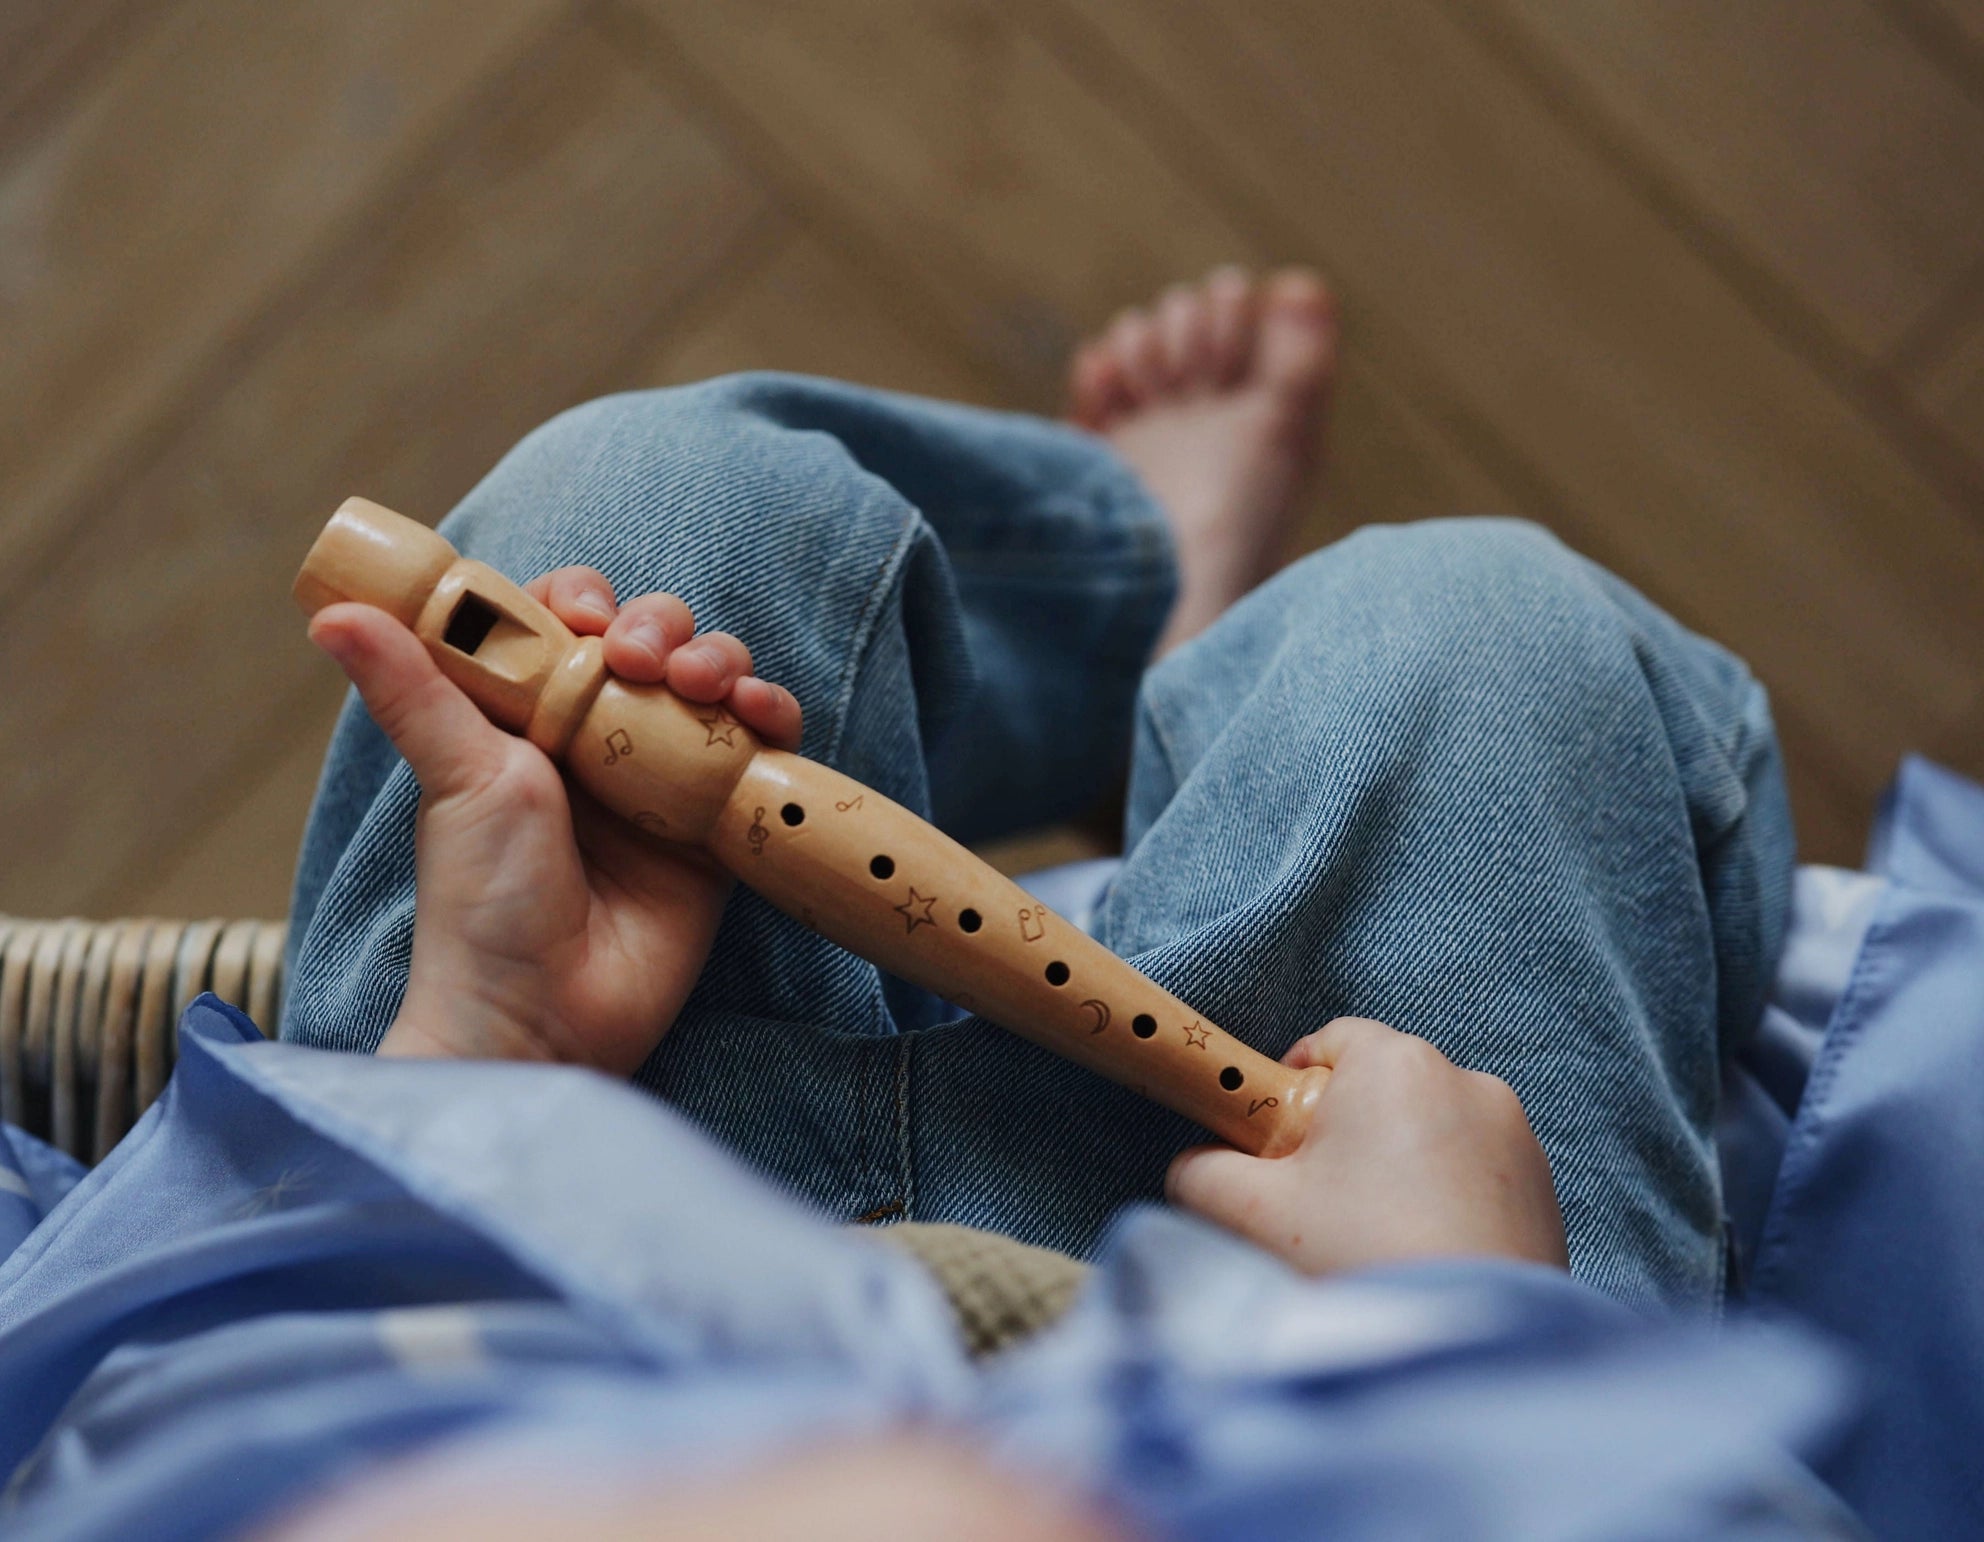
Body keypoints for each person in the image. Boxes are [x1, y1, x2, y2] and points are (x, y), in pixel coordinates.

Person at [4, 269, 1879, 1541]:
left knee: (638, 489)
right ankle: (1180, 665)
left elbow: (121, 1432)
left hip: (556, 1257)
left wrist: (464, 1068)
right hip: (1313, 1422)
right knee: (1471, 632)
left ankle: (1130, 597)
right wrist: (1463, 1332)